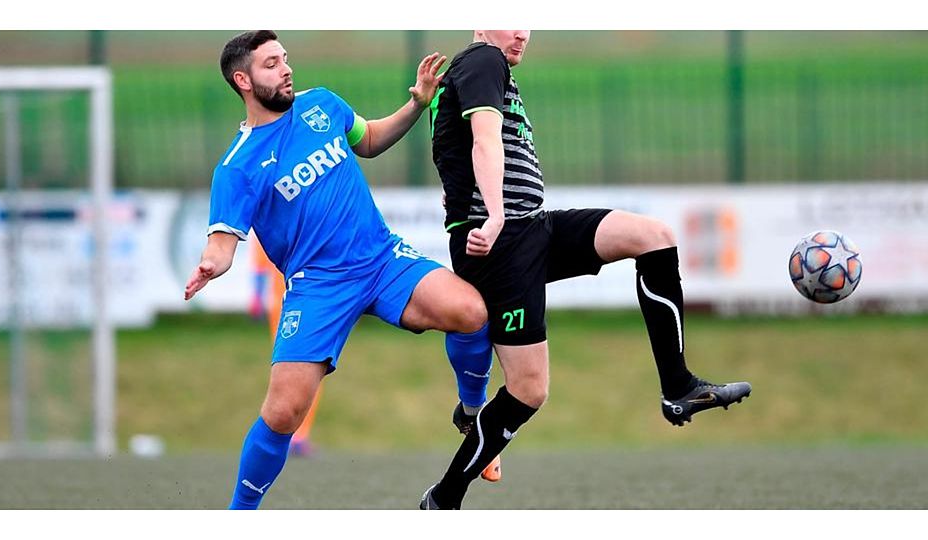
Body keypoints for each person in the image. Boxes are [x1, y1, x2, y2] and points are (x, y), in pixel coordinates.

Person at [420, 30, 752, 510]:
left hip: (533, 230)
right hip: (498, 243)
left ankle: (677, 387)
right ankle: (444, 499)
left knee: (653, 237)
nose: (522, 32)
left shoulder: (483, 69)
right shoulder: (482, 60)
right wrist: (493, 215)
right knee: (530, 390)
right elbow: (484, 139)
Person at [184, 30, 490, 510]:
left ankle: (473, 414)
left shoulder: (321, 105)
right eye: (270, 64)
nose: (285, 69)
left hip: (382, 261)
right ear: (243, 80)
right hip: (318, 290)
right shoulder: (237, 167)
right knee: (284, 413)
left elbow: (367, 140)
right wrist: (210, 264)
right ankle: (239, 516)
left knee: (472, 311)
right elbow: (222, 242)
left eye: (284, 59)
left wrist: (415, 105)